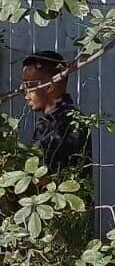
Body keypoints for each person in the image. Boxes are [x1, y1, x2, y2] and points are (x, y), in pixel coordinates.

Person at [21, 52, 93, 180]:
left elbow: (45, 172)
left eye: (28, 84)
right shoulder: (49, 121)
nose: (23, 91)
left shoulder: (71, 123)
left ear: (49, 86)